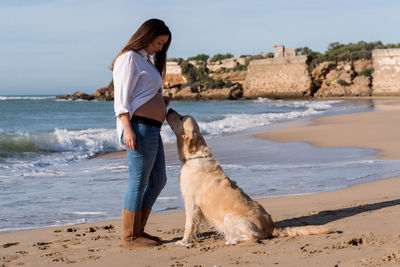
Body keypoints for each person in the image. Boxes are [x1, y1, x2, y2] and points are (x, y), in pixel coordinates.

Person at [111, 18, 171, 249]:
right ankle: (130, 237)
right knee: (138, 182)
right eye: (159, 42)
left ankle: (138, 230)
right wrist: (127, 129)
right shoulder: (129, 58)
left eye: (164, 44)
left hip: (152, 128)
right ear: (148, 36)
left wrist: (160, 101)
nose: (161, 48)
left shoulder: (144, 60)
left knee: (158, 180)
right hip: (138, 127)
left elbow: (141, 95)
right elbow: (122, 99)